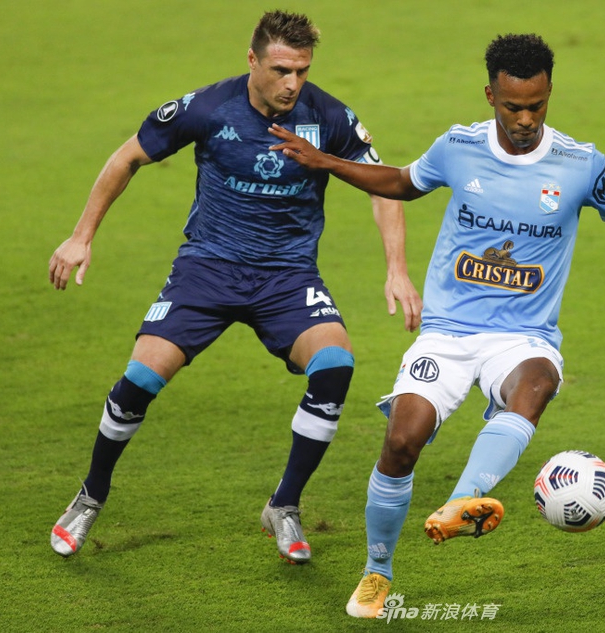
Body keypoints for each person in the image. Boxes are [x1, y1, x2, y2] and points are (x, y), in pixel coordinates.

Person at [268, 33, 605, 615]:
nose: (525, 119)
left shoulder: (581, 164)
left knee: (537, 383)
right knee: (401, 442)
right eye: (513, 106)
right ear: (491, 95)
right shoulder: (458, 147)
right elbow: (400, 183)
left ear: (549, 95)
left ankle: (464, 500)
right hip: (448, 332)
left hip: (524, 337)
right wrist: (324, 161)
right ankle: (378, 571)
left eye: (537, 106)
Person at [47, 10, 421, 565]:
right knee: (141, 379)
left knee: (335, 366)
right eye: (281, 70)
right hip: (208, 269)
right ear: (252, 60)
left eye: (302, 70)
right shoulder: (207, 108)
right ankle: (90, 495)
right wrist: (81, 236)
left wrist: (397, 269)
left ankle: (283, 505)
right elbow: (128, 156)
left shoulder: (329, 116)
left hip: (288, 277)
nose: (292, 83)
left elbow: (383, 186)